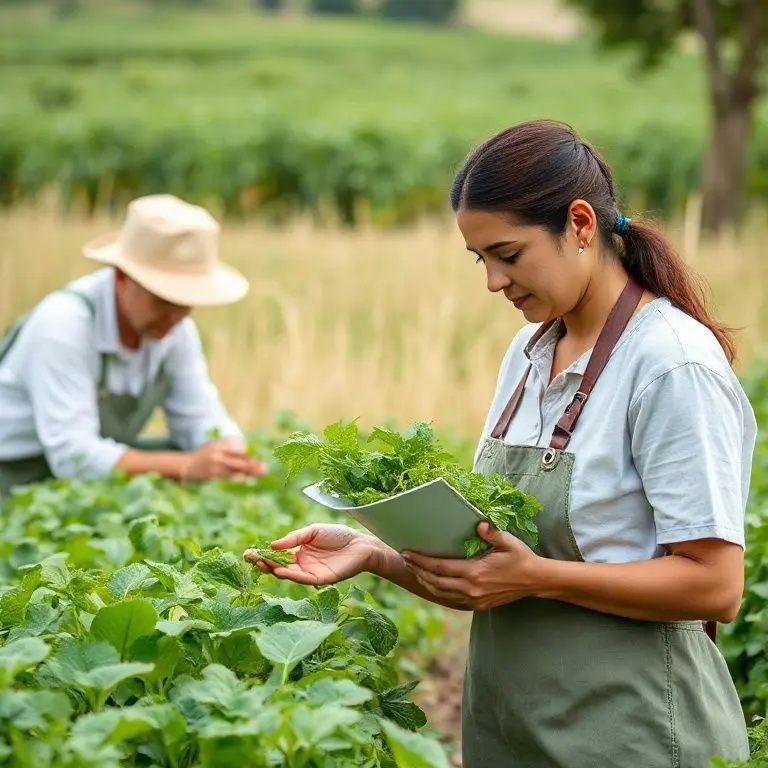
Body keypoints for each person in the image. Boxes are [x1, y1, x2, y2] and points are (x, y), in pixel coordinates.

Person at [244, 120, 756, 767]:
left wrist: (538, 576)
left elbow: (715, 586)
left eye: (508, 254)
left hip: (635, 737)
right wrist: (377, 554)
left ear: (579, 225)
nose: (492, 281)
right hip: (515, 733)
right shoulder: (528, 353)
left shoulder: (669, 362)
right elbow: (492, 578)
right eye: (479, 259)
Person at [0, 194, 267, 499]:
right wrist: (186, 466)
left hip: (73, 489)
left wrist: (230, 454)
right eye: (164, 299)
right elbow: (73, 456)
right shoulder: (63, 325)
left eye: (187, 301)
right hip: (12, 476)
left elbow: (199, 414)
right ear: (122, 277)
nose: (175, 316)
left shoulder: (176, 331)